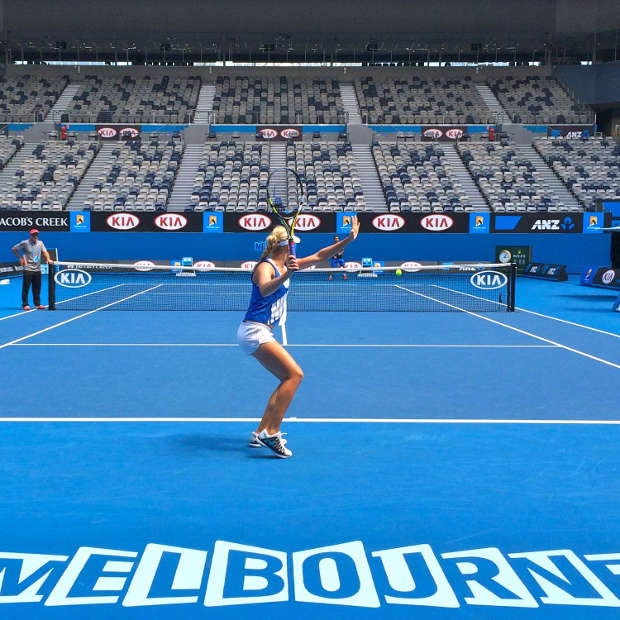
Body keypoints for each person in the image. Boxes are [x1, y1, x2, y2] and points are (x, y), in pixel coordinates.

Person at [237, 218, 360, 458]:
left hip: (261, 331)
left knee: (285, 378)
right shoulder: (266, 267)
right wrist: (287, 275)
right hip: (254, 330)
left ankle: (260, 431)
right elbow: (264, 289)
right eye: (293, 245)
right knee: (295, 375)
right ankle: (272, 434)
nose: (297, 249)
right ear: (284, 246)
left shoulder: (287, 265)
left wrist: (348, 240)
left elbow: (319, 256)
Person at [12, 229, 53, 310]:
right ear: (30, 235)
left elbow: (45, 252)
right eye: (33, 235)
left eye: (36, 235)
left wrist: (48, 259)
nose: (35, 236)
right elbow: (14, 249)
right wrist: (20, 258)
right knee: (26, 288)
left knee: (37, 288)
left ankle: (37, 304)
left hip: (37, 269)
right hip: (28, 269)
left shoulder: (40, 243)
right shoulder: (25, 243)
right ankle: (25, 304)